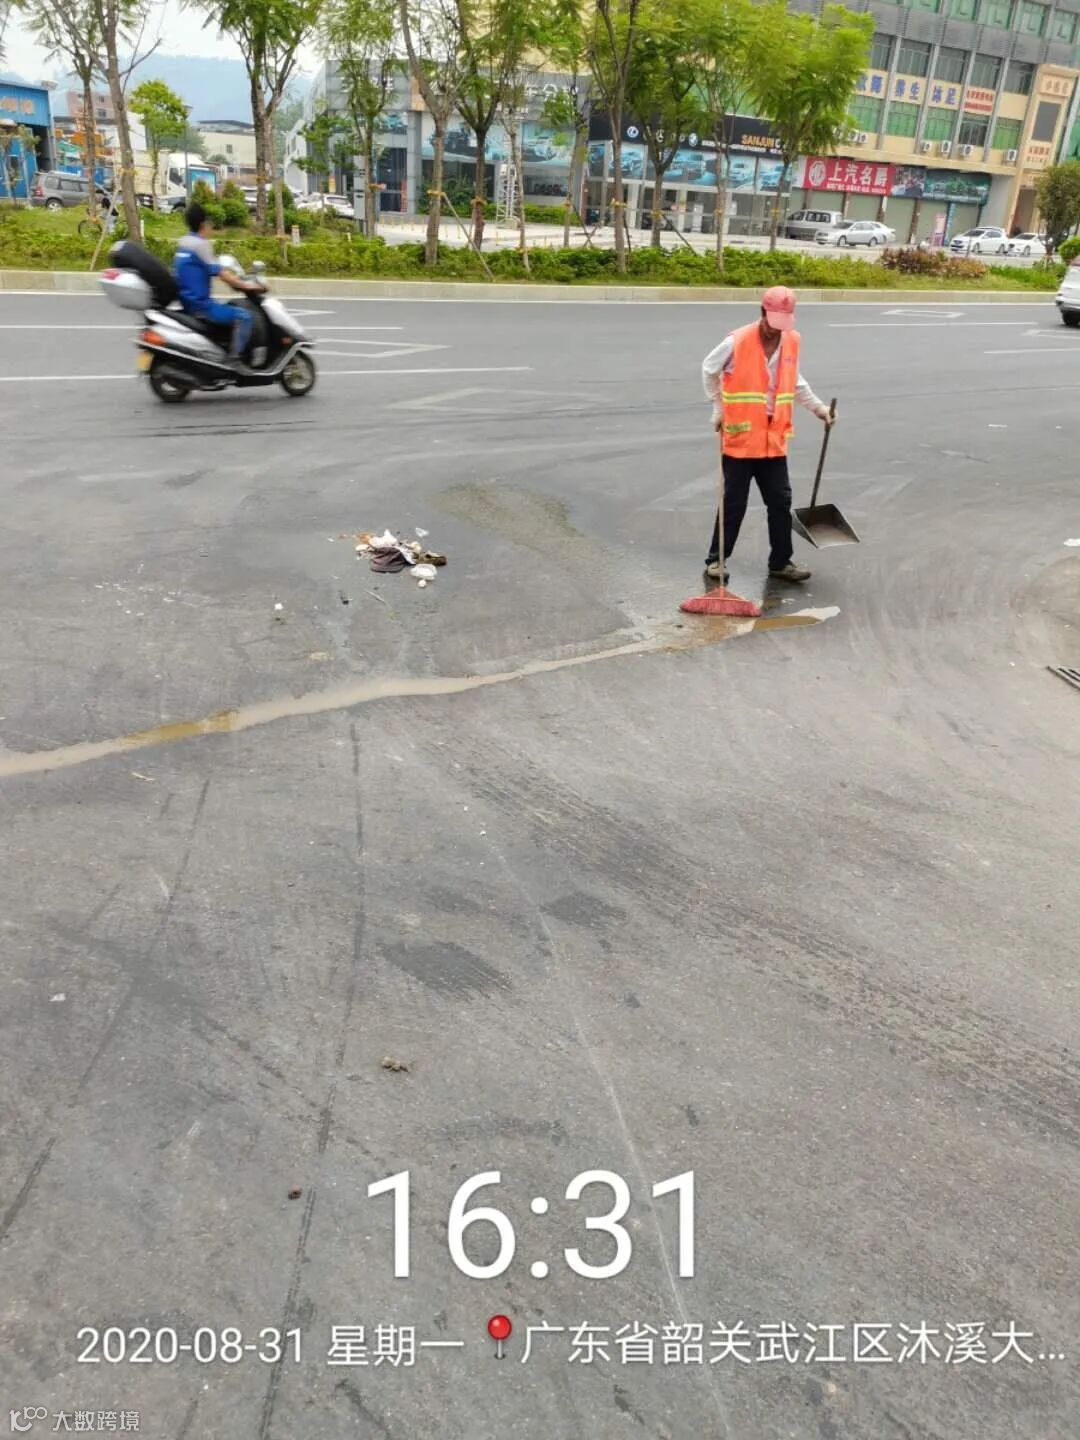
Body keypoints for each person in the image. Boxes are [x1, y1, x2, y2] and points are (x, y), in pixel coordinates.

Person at [701, 286, 834, 584]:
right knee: (734, 503)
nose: (776, 331)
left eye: (782, 325)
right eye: (773, 324)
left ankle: (780, 562)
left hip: (773, 441)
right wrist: (718, 407)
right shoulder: (737, 341)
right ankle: (716, 560)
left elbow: (795, 381)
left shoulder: (791, 341)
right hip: (741, 440)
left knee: (780, 501)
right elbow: (709, 369)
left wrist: (819, 408)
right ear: (763, 313)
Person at [174, 202, 260, 369]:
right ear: (202, 224)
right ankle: (234, 361)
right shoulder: (201, 244)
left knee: (225, 307)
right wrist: (245, 285)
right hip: (201, 306)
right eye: (208, 222)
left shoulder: (183, 242)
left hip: (187, 302)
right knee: (244, 317)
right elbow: (221, 274)